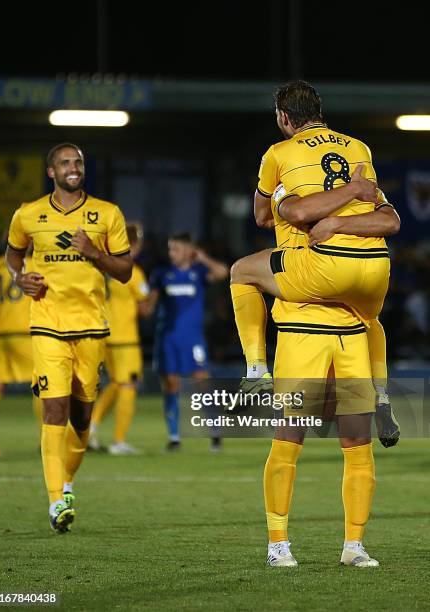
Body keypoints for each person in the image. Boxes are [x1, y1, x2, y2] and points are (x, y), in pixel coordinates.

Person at [230, 80, 400, 445]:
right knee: (369, 320)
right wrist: (350, 200)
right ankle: (382, 395)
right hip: (373, 268)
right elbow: (389, 218)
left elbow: (264, 216)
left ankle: (256, 368)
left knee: (241, 272)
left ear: (284, 117)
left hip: (316, 271)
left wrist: (287, 202)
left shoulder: (279, 152)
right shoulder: (359, 149)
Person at [5, 142, 133, 532]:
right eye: (65, 163)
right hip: (47, 324)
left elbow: (125, 270)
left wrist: (94, 253)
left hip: (91, 326)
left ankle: (67, 483)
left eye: (78, 162)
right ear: (51, 172)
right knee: (54, 409)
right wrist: (19, 277)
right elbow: (13, 254)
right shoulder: (28, 214)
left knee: (82, 418)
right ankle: (55, 501)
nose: (73, 167)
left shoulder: (107, 214)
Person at [148, 233, 229, 451]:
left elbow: (222, 272)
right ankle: (174, 436)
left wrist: (202, 257)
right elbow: (148, 305)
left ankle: (215, 432)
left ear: (187, 251)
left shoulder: (199, 272)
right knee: (171, 386)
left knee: (203, 383)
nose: (171, 253)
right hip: (167, 339)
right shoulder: (161, 274)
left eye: (175, 249)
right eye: (170, 249)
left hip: (193, 340)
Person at [89, 222, 149, 455]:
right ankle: (119, 440)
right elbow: (144, 309)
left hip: (103, 335)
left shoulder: (102, 267)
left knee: (115, 383)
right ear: (133, 243)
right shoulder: (132, 269)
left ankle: (92, 427)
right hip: (125, 338)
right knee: (128, 385)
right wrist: (152, 298)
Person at [0, 246, 42, 456]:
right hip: (26, 332)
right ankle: (46, 440)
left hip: (1, 334)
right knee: (41, 384)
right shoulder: (34, 263)